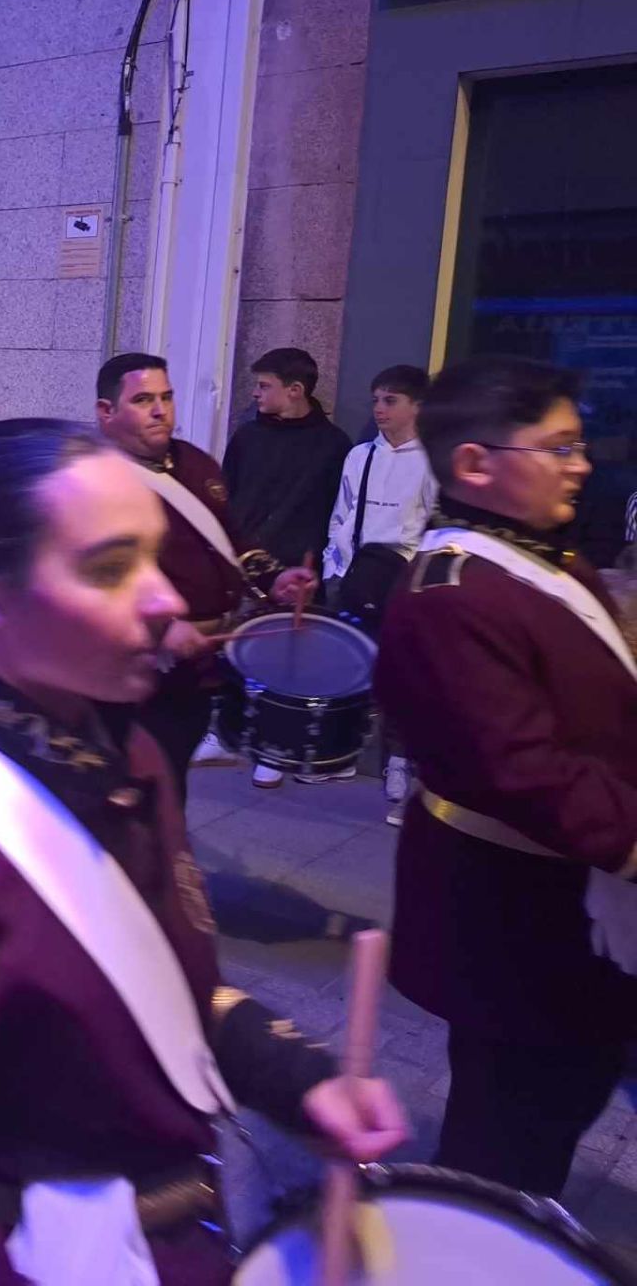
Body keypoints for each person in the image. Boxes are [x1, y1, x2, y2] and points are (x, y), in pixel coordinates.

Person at [0, 419, 407, 1283]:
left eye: (156, 556)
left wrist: (297, 1078)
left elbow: (166, 988)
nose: (165, 597)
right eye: (109, 567)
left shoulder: (123, 753)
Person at [377, 356, 637, 1201]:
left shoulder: (540, 559)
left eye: (579, 444)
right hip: (510, 914)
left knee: (566, 1090)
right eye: (557, 447)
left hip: (570, 899)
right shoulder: (449, 595)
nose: (581, 463)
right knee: (509, 1129)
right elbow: (522, 771)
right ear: (475, 465)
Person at [93, 353, 314, 797]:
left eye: (167, 397)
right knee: (128, 786)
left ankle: (163, 856)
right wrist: (160, 629)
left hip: (198, 667)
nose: (161, 410)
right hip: (131, 672)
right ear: (106, 412)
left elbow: (233, 539)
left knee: (171, 780)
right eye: (142, 399)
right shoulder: (91, 479)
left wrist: (274, 579)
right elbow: (97, 581)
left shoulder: (197, 465)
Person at [322, 364, 435, 810]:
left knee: (399, 676)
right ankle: (343, 751)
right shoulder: (360, 454)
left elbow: (430, 523)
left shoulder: (431, 460)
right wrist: (337, 562)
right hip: (353, 573)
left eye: (390, 400)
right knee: (350, 664)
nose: (379, 409)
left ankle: (398, 762)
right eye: (376, 400)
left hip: (401, 575)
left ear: (417, 407)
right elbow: (342, 511)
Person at [224, 346, 353, 575]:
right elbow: (227, 496)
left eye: (264, 386)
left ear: (295, 390)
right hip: (241, 565)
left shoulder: (333, 445)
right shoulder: (247, 436)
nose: (255, 393)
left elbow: (336, 514)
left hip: (296, 572)